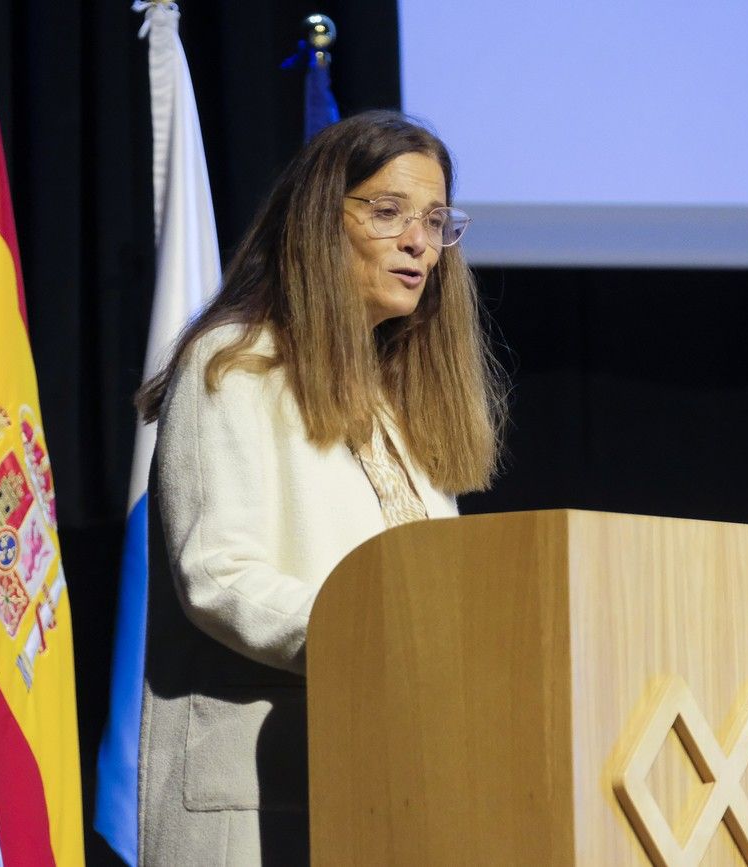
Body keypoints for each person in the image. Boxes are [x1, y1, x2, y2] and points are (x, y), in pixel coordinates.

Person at [135, 110, 505, 865]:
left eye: (436, 220)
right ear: (318, 220)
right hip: (256, 796)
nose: (419, 242)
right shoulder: (235, 367)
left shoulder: (407, 405)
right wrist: (383, 643)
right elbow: (217, 576)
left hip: (392, 785)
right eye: (389, 211)